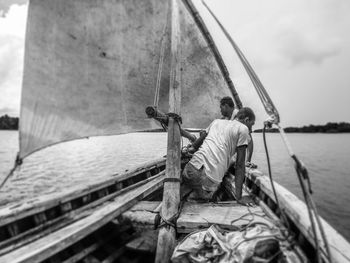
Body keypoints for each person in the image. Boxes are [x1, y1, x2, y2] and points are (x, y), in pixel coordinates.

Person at [182, 107, 255, 204]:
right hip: (206, 178)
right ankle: (194, 199)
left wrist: (191, 149)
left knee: (193, 182)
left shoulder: (216, 122)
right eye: (252, 124)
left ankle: (186, 194)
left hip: (189, 169)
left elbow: (202, 139)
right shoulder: (244, 129)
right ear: (247, 120)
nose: (251, 129)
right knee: (209, 194)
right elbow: (240, 165)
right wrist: (239, 197)